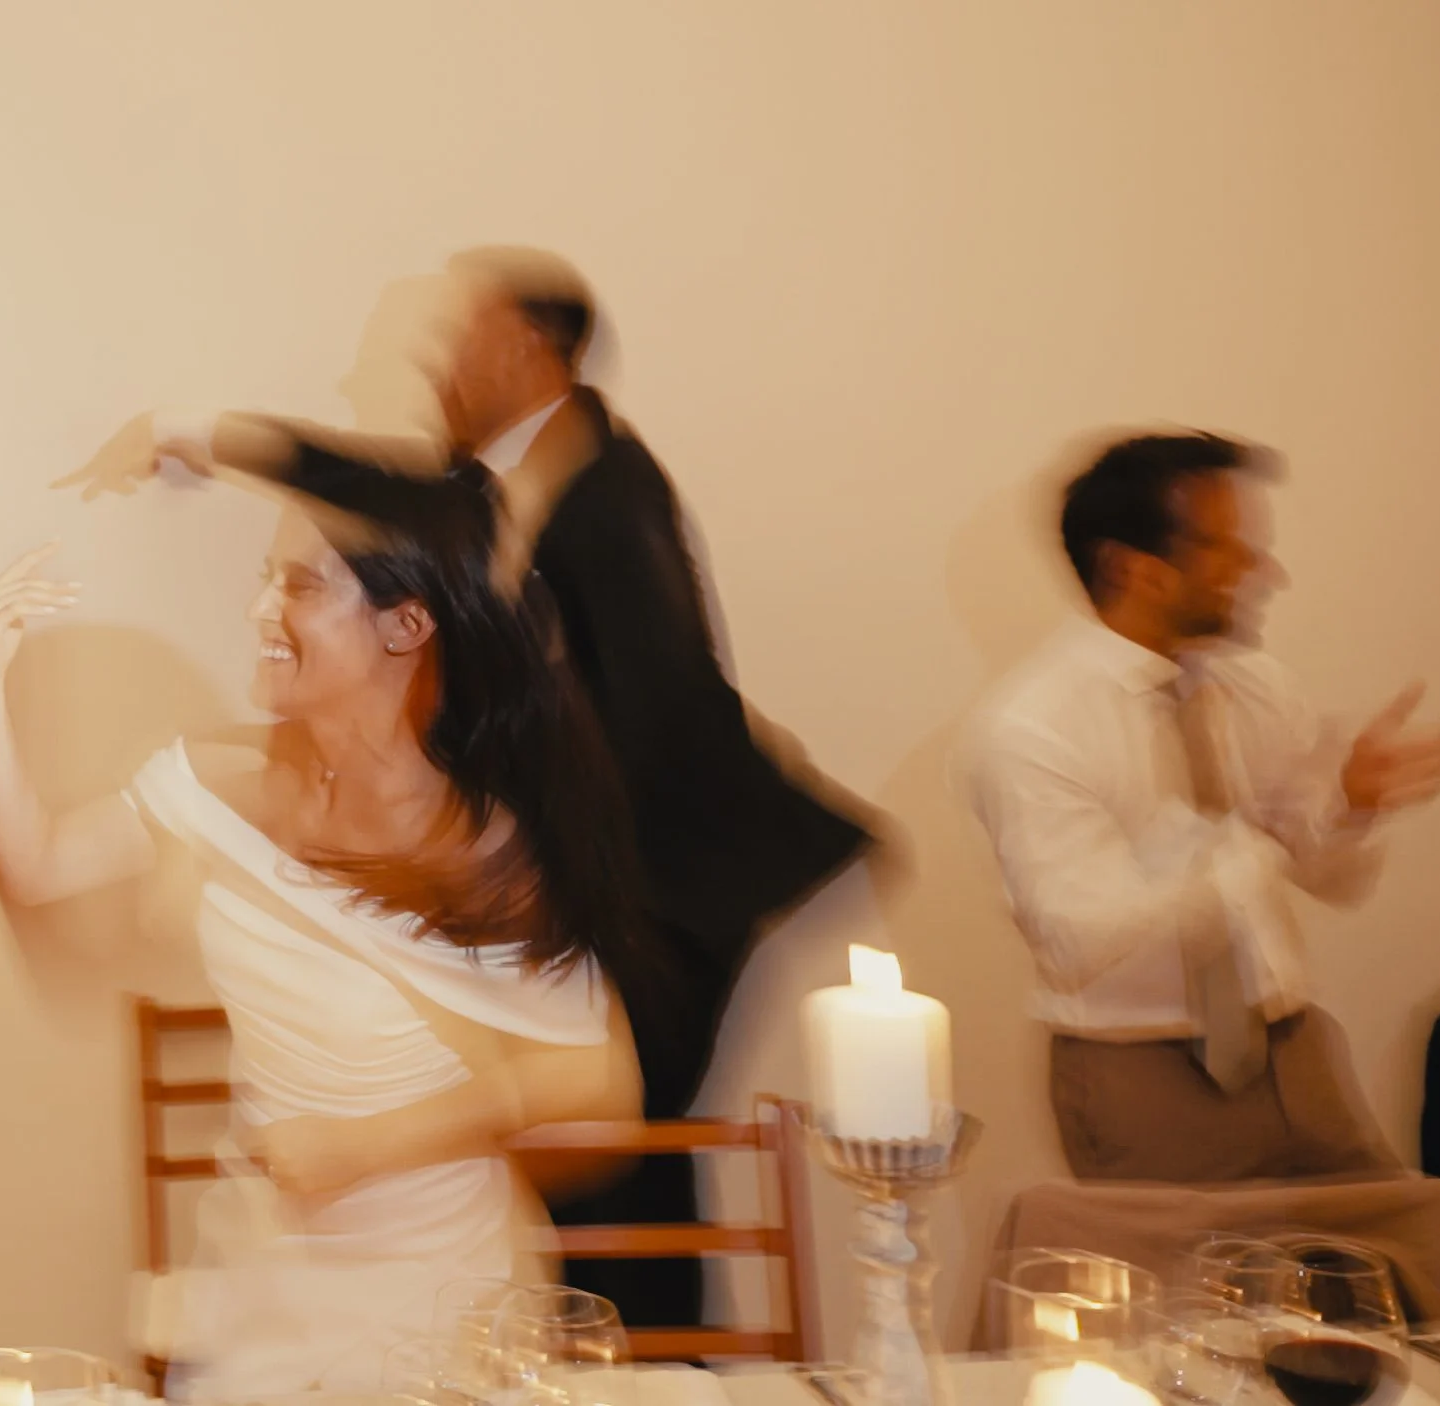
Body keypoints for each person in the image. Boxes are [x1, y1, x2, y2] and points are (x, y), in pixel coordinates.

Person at [58, 247, 873, 1322]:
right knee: (569, 1147)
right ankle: (582, 1351)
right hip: (603, 872)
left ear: (529, 346)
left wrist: (521, 854)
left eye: (458, 339)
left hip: (675, 884)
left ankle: (642, 1368)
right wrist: (201, 431)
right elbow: (371, 492)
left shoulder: (616, 493)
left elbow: (663, 711)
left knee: (610, 1151)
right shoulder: (491, 485)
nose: (435, 365)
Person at [0, 460, 648, 1397]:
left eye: (300, 586)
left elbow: (597, 1084)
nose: (260, 611)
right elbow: (36, 865)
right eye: (267, 580)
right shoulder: (217, 788)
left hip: (435, 1307)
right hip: (263, 1289)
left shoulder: (473, 850)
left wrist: (368, 1144)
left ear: (406, 625)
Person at [964, 431, 1440, 1182]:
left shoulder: (1256, 687)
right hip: (1139, 1075)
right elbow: (1085, 942)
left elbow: (1334, 882)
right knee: (1190, 1270)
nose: (1264, 572)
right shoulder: (1033, 727)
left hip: (1295, 1051)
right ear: (1134, 569)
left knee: (1406, 1252)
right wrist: (1263, 841)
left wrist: (1352, 810)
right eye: (1227, 549)